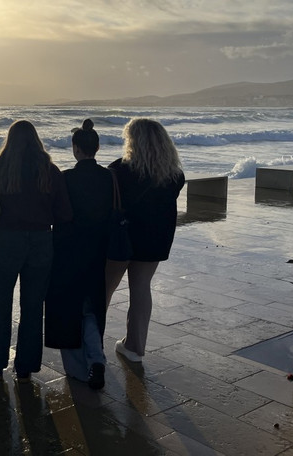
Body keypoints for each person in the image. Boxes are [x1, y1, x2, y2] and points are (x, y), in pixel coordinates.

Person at [0, 120, 72, 382]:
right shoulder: (50, 170)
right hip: (41, 240)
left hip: (7, 239)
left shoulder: (0, 168)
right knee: (32, 305)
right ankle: (25, 368)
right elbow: (65, 213)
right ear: (36, 140)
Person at [106, 118, 185, 363]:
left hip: (122, 239)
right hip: (155, 241)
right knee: (141, 289)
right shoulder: (174, 176)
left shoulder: (118, 170)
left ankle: (92, 344)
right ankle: (135, 348)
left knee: (104, 291)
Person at [45, 119, 113, 390]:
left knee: (68, 310)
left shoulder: (66, 178)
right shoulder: (109, 177)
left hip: (67, 250)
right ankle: (97, 358)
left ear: (75, 149)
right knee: (90, 309)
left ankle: (76, 369)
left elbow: (57, 214)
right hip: (98, 250)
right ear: (97, 147)